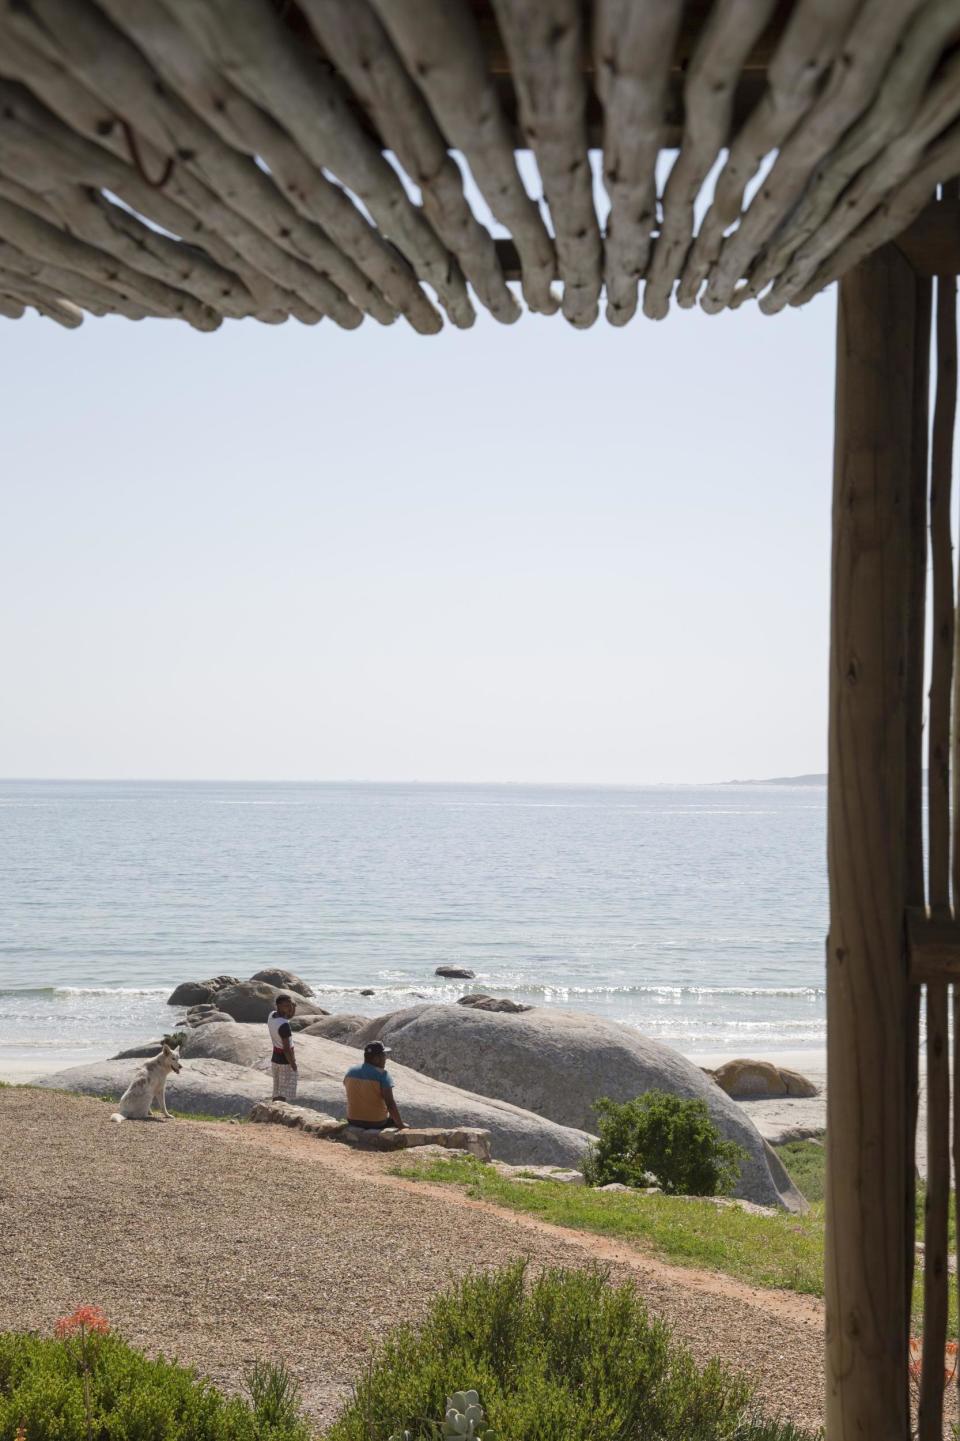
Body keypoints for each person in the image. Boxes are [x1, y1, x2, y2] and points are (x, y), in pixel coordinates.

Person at [344, 1041, 407, 1130]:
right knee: (396, 1121)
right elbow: (390, 1104)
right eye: (384, 1055)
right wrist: (401, 1125)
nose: (385, 1059)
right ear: (376, 1058)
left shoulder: (350, 1071)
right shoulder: (382, 1075)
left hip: (352, 1120)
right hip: (376, 1122)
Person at [267, 992, 298, 1101]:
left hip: (275, 1058)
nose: (289, 1008)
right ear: (279, 1006)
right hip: (285, 1060)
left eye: (291, 1005)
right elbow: (286, 1048)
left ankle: (274, 1109)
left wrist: (293, 1006)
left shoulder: (272, 1015)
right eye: (286, 1006)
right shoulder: (284, 1025)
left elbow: (288, 1015)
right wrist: (293, 1064)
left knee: (277, 1089)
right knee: (284, 1092)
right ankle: (279, 1111)